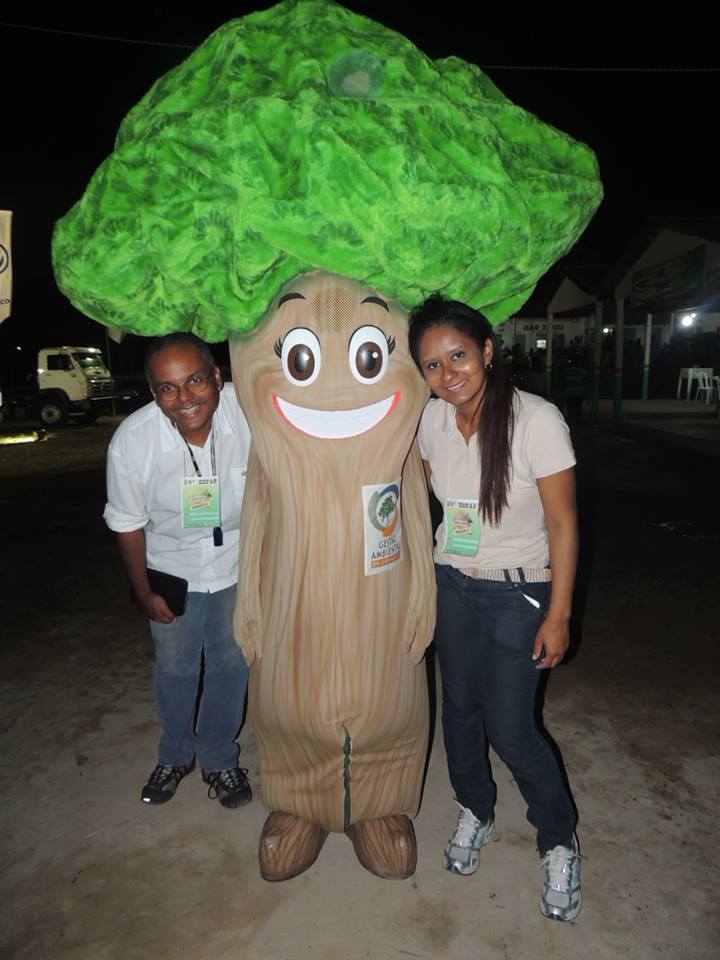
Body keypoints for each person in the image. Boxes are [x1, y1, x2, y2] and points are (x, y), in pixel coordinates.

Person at [408, 295, 581, 922]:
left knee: (510, 727)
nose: (447, 373)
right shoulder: (430, 420)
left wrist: (558, 614)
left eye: (457, 355)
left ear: (486, 350)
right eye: (431, 364)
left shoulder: (537, 420)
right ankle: (474, 809)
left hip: (519, 592)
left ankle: (558, 838)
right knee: (459, 711)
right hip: (452, 584)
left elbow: (563, 524)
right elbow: (431, 483)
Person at [104, 332, 253, 809]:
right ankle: (174, 755)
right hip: (172, 571)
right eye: (168, 388)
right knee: (175, 669)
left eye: (194, 380)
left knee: (231, 666)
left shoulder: (248, 414)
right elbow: (127, 526)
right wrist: (144, 592)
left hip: (235, 566)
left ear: (217, 376)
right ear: (154, 394)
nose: (185, 397)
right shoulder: (133, 442)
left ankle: (220, 760)